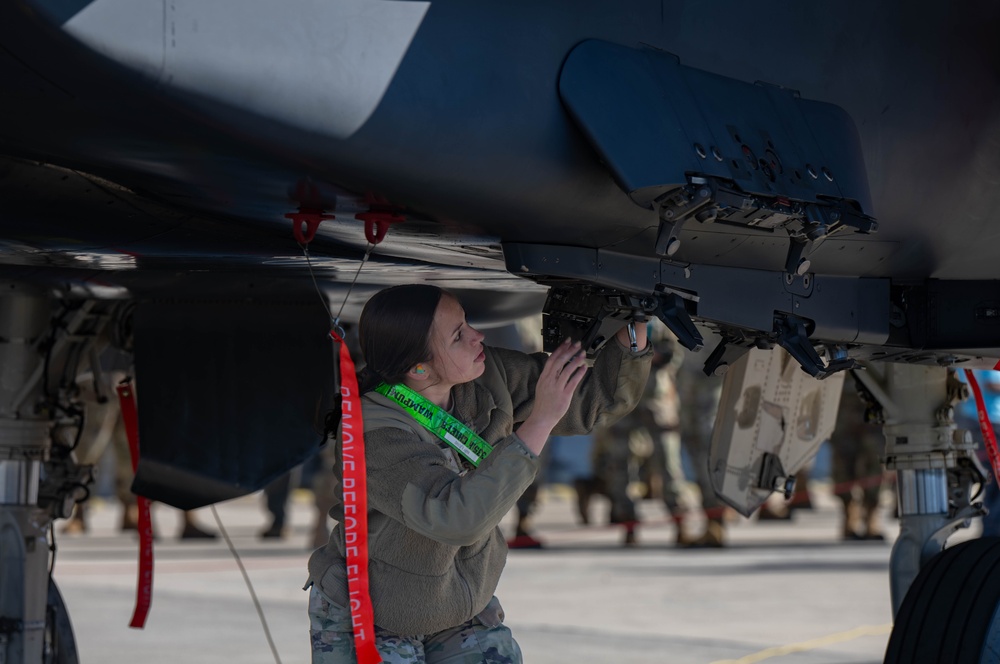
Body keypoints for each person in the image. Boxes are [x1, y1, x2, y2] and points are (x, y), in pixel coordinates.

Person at [305, 284, 651, 662]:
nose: (478, 336)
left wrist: (632, 331)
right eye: (458, 335)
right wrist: (539, 422)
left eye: (466, 322)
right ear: (419, 369)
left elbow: (591, 400)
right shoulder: (376, 431)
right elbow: (456, 517)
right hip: (374, 608)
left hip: (455, 598)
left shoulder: (485, 376)